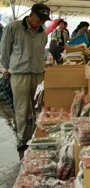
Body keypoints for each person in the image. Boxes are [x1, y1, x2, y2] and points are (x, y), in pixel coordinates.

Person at [0, 3, 51, 150]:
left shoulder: (43, 33)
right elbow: (5, 50)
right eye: (39, 19)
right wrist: (8, 67)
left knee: (39, 106)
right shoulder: (13, 28)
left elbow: (42, 52)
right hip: (19, 74)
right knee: (21, 108)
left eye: (44, 20)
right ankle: (22, 139)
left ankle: (39, 136)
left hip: (38, 73)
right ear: (31, 16)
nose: (41, 22)